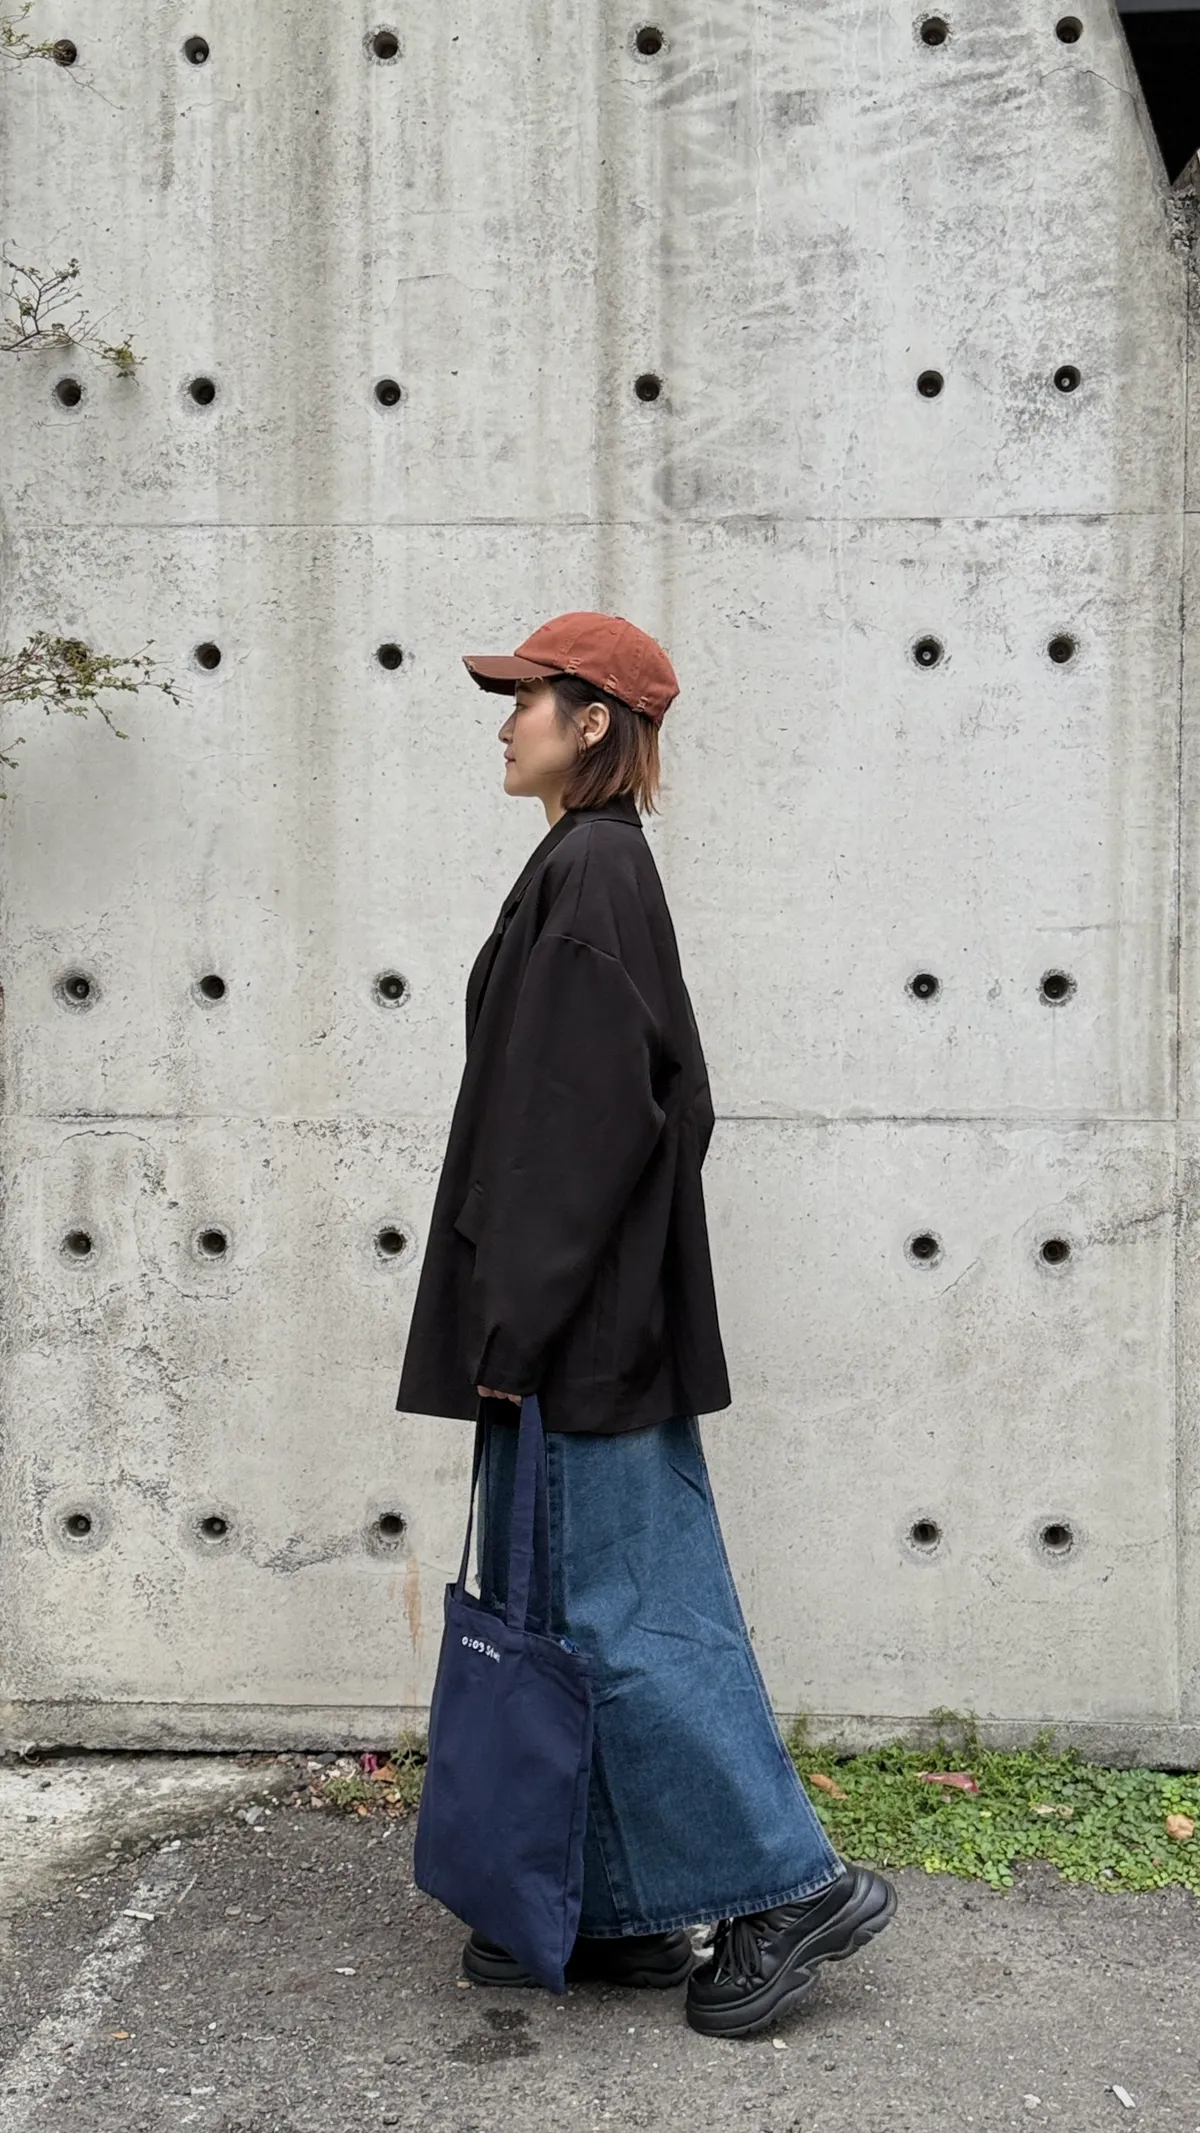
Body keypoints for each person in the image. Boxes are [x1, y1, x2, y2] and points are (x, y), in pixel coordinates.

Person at [395, 611, 896, 2038]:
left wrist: (517, 1329)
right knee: (570, 1611)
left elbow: (581, 1131)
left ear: (595, 721)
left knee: (628, 1620)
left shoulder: (595, 871)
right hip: (582, 1325)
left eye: (527, 699)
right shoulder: (583, 865)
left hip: (578, 1339)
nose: (506, 723)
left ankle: (790, 1888)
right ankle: (615, 1904)